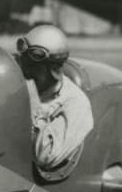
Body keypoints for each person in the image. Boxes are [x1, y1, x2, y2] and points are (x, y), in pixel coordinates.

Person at [15, 24, 94, 180]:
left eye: (34, 67)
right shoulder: (15, 86)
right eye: (23, 64)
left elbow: (46, 156)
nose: (25, 71)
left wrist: (32, 101)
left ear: (54, 70)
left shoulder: (75, 103)